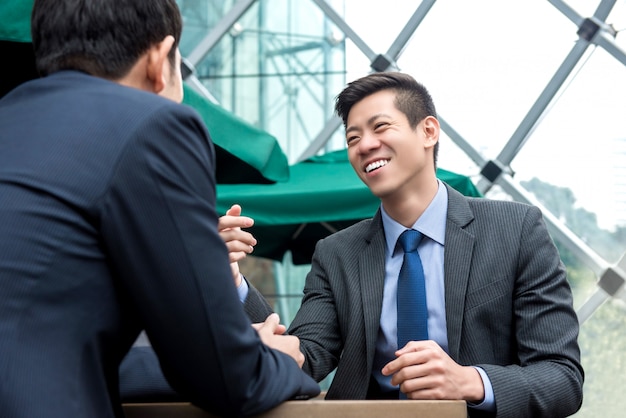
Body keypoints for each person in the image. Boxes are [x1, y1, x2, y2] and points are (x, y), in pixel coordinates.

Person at [0, 0, 318, 416]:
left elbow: (47, 336)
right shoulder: (157, 124)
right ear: (160, 58)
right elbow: (226, 377)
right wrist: (278, 358)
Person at [240, 72, 583, 417]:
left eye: (381, 127)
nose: (364, 145)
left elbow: (562, 377)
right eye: (352, 137)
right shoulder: (336, 254)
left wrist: (470, 382)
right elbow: (306, 356)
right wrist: (231, 281)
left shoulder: (515, 230)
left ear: (428, 132)